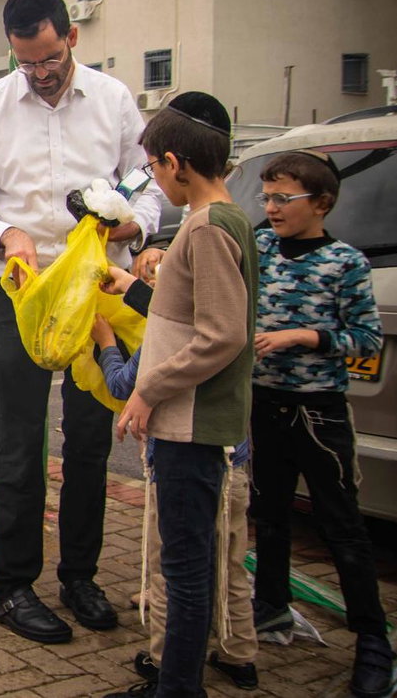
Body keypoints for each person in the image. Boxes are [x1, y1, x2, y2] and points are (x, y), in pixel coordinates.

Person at [0, 0, 163, 643]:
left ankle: (80, 574)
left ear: (71, 38)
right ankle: (11, 586)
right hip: (20, 290)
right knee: (19, 442)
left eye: (49, 60)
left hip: (95, 288)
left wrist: (129, 223)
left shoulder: (114, 99)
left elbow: (148, 183)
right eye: (27, 64)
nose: (40, 75)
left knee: (91, 440)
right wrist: (3, 234)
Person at [103, 91, 258, 698]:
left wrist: (147, 390)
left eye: (152, 168)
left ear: (175, 162)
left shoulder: (209, 227)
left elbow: (222, 335)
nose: (155, 182)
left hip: (194, 429)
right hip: (188, 425)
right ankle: (175, 680)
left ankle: (178, 688)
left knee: (188, 572)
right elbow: (191, 319)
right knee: (187, 565)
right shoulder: (216, 222)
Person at [246, 150, 392, 698]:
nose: (272, 207)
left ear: (322, 203)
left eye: (284, 198)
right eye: (267, 197)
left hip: (318, 411)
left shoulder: (346, 263)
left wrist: (303, 337)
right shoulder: (259, 247)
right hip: (264, 405)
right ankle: (270, 606)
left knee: (342, 528)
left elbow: (367, 339)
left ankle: (372, 639)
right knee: (269, 515)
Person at [91, 264, 259, 694]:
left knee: (171, 570)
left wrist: (107, 343)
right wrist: (130, 286)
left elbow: (122, 384)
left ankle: (166, 662)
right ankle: (240, 655)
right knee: (229, 561)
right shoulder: (224, 320)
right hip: (233, 462)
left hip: (182, 459)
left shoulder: (168, 338)